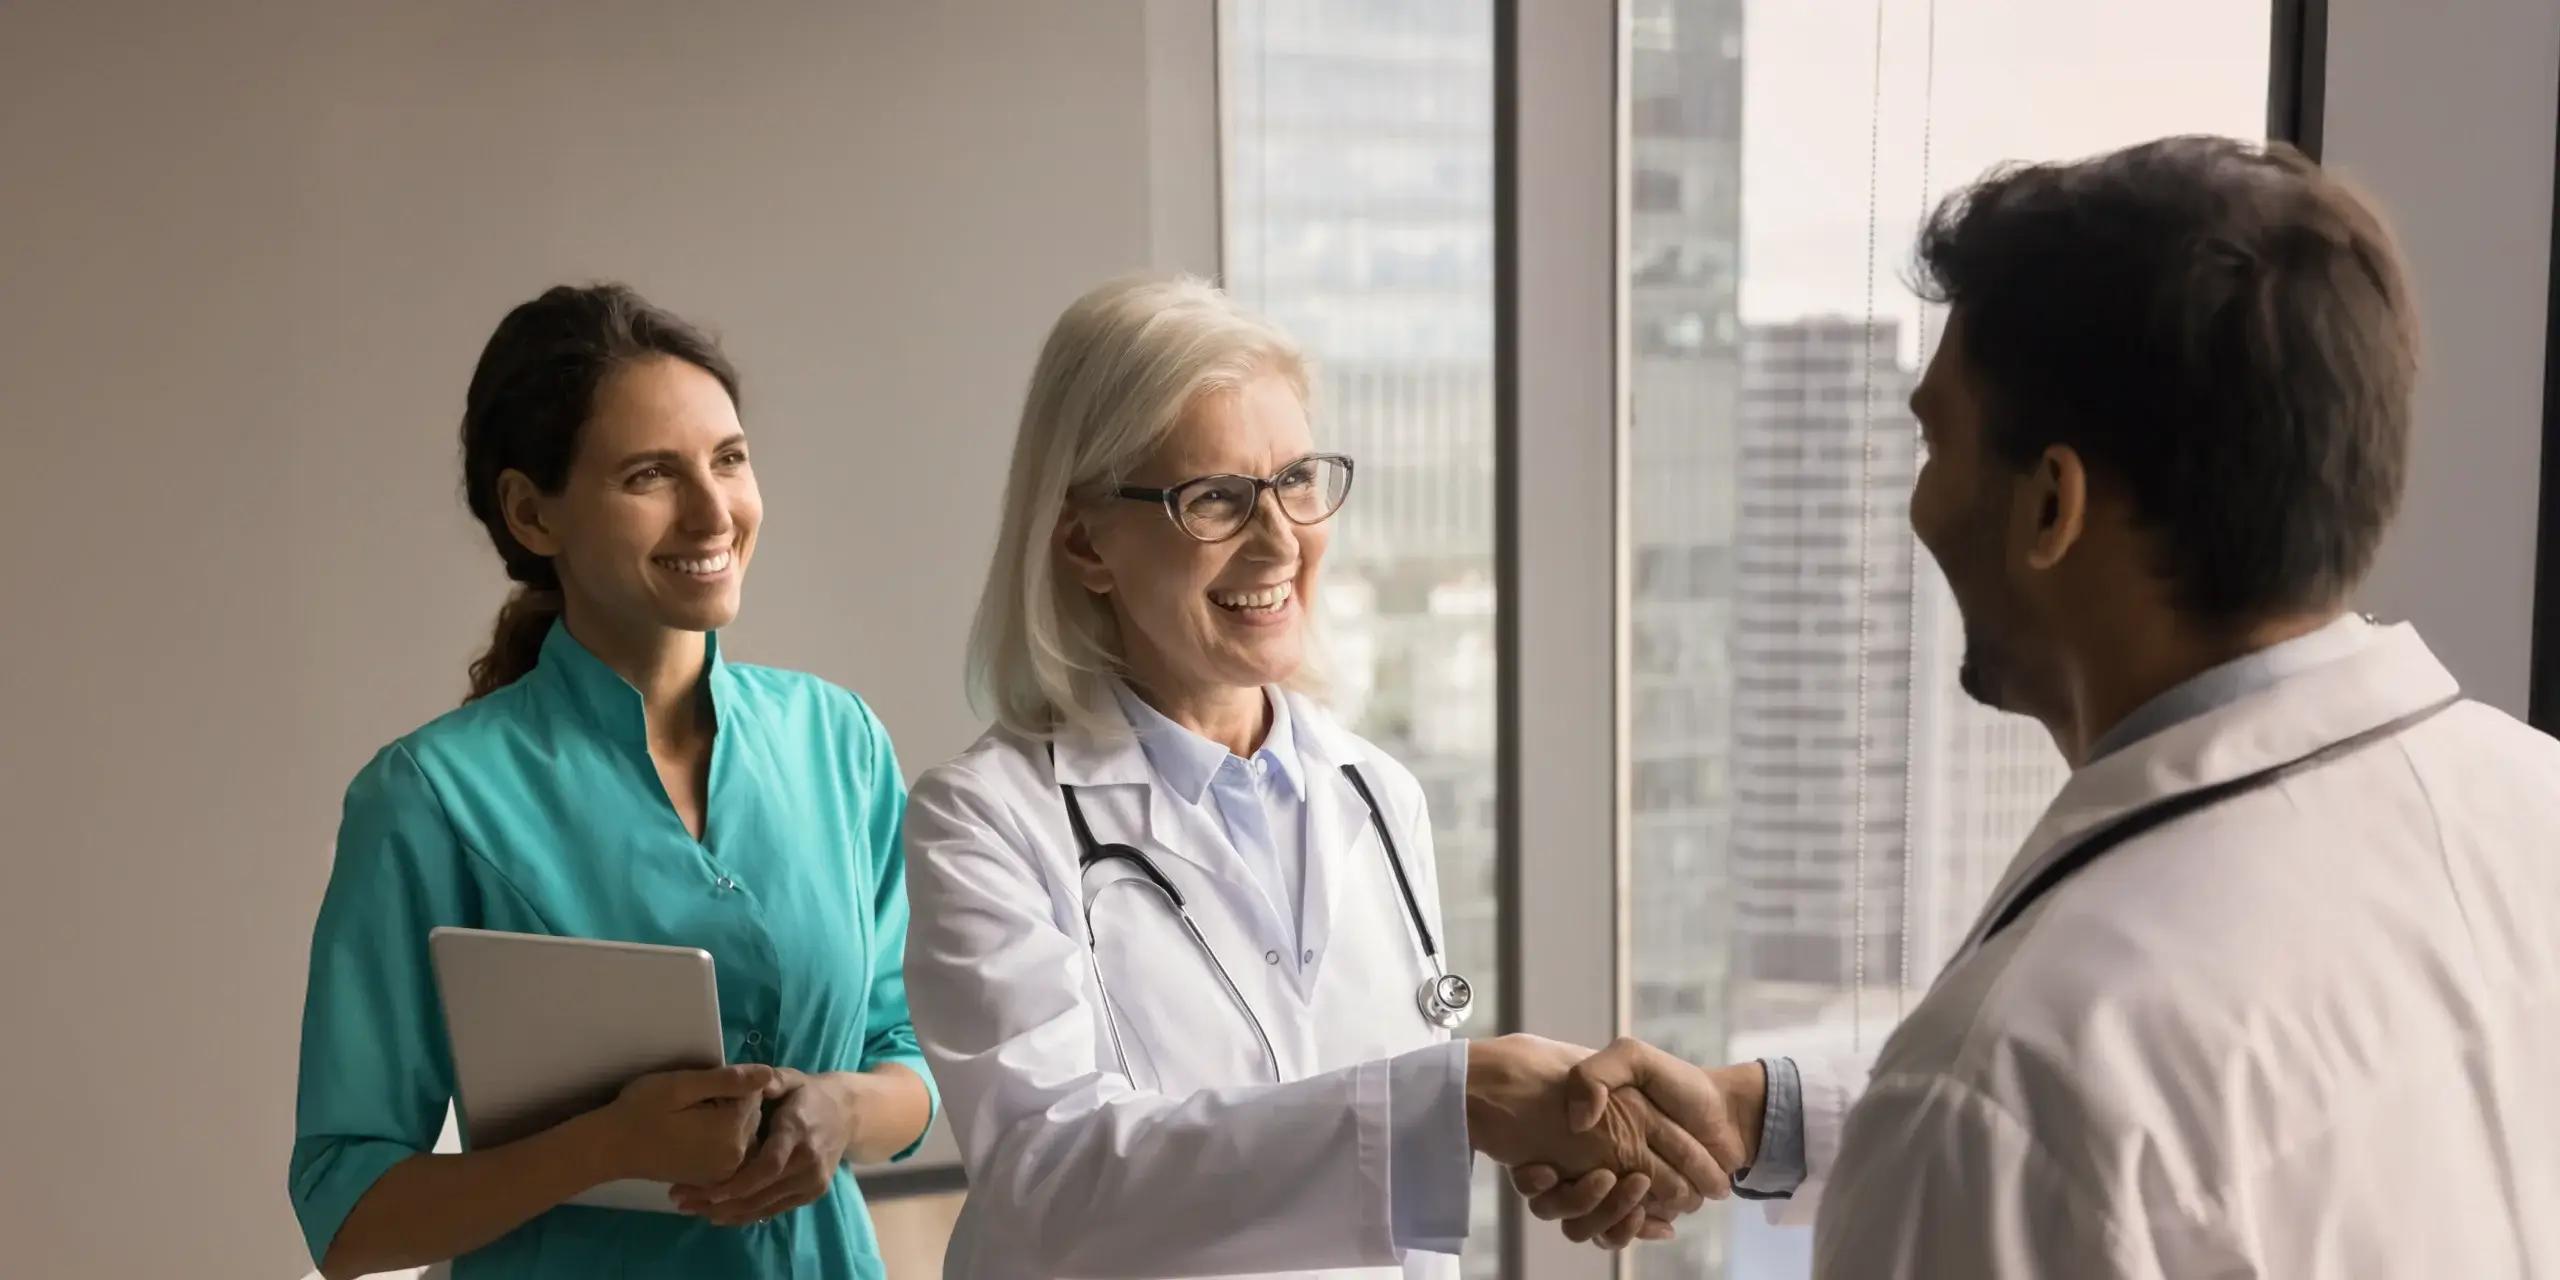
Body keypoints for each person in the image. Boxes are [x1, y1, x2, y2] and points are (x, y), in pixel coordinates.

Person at [1517, 135, 2560, 1275]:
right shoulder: (2530, 807)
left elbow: (2052, 1134)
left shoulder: (2009, 1083)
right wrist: (1770, 1120)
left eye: (1933, 440)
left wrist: (1935, 1116)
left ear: (2052, 503)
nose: (1916, 507)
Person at [899, 275, 1742, 1279]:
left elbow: (1388, 1201)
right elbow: (1051, 1178)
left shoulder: (1378, 794)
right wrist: (1454, 1098)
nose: (1280, 539)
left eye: (1297, 480)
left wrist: (1547, 1132)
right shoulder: (988, 821)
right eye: (1213, 496)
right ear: (1086, 541)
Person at [288, 284, 938, 1279]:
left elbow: (913, 1050)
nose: (713, 510)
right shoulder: (429, 797)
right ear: (529, 511)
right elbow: (348, 1212)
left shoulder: (837, 740)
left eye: (729, 459)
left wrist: (840, 1111)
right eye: (651, 474)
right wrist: (604, 1146)